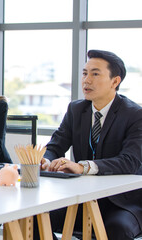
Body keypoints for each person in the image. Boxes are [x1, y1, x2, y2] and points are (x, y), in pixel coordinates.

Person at [38, 50, 142, 240]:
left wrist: (82, 167)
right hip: (81, 198)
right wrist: (46, 160)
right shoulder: (76, 109)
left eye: (95, 74)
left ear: (115, 81)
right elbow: (56, 145)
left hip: (121, 203)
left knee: (118, 229)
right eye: (85, 73)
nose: (86, 80)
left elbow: (130, 161)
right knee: (34, 217)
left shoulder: (135, 115)